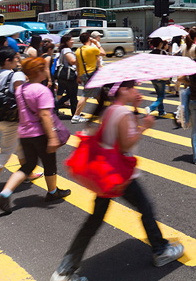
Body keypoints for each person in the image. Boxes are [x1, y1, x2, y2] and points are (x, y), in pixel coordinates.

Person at [50, 81, 184, 281]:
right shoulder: (122, 113)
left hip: (106, 173)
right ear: (123, 90)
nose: (137, 91)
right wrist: (145, 126)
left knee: (94, 221)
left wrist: (136, 110)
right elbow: (125, 144)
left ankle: (64, 270)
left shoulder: (111, 109)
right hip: (120, 175)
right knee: (145, 208)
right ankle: (161, 250)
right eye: (133, 88)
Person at [0, 57, 71, 214]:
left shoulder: (21, 89)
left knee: (28, 165)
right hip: (40, 134)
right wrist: (52, 138)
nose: (46, 70)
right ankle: (52, 192)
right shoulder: (41, 91)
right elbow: (45, 115)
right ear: (38, 71)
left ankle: (5, 193)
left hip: (24, 134)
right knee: (49, 163)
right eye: (44, 68)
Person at [0, 48, 38, 199]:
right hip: (13, 120)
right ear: (7, 61)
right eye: (15, 59)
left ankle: (27, 173)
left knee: (21, 147)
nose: (18, 60)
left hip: (0, 119)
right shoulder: (17, 75)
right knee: (5, 153)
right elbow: (22, 98)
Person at [72, 32, 105, 123]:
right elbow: (103, 53)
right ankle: (76, 116)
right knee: (85, 95)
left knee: (98, 92)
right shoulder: (91, 49)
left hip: (83, 75)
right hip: (91, 74)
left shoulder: (78, 50)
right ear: (89, 39)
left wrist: (78, 76)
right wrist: (96, 43)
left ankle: (106, 111)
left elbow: (78, 64)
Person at [56, 35, 79, 117]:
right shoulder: (66, 50)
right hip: (69, 75)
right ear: (66, 42)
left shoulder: (63, 49)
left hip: (64, 75)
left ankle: (55, 107)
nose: (72, 41)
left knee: (70, 94)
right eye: (71, 40)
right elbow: (72, 61)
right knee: (73, 95)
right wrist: (81, 57)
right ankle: (75, 114)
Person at [146, 37, 169, 117]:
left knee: (159, 95)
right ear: (160, 44)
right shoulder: (163, 53)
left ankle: (161, 111)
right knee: (161, 96)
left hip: (153, 77)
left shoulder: (150, 54)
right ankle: (151, 107)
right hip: (161, 77)